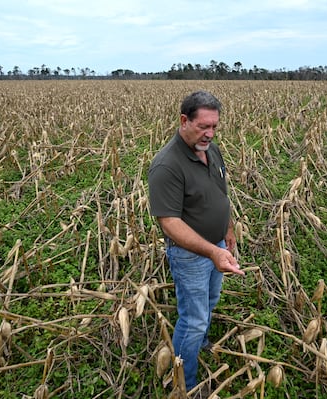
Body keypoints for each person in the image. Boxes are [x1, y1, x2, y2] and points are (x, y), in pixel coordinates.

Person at [148, 90, 245, 393]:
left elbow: (220, 192)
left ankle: (200, 343)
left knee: (209, 302)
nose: (210, 133)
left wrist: (227, 230)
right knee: (193, 318)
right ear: (184, 121)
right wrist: (213, 251)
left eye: (215, 126)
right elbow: (170, 223)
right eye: (203, 126)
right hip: (191, 255)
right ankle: (184, 383)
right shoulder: (167, 165)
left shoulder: (210, 150)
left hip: (217, 246)